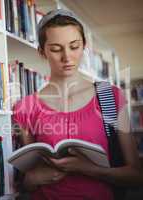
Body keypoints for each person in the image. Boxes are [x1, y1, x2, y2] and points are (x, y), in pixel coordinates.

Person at [12, 9, 143, 200]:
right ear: (42, 52)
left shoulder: (109, 97)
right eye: (56, 49)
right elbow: (28, 179)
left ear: (84, 47)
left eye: (74, 46)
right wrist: (30, 179)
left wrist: (88, 169)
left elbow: (136, 176)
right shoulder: (26, 107)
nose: (67, 57)